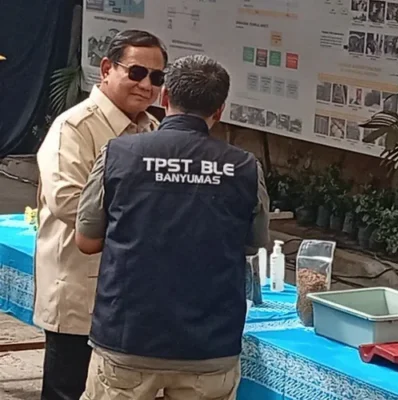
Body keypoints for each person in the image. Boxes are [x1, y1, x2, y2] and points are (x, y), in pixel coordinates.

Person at [74, 54, 270, 400]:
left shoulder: (118, 153)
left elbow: (86, 241)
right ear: (220, 110)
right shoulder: (245, 168)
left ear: (164, 97)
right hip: (210, 346)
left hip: (128, 337)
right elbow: (253, 245)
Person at [35, 29, 167, 400]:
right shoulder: (74, 128)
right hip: (81, 293)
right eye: (136, 73)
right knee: (68, 389)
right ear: (107, 69)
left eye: (157, 77)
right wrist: (146, 227)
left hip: (133, 296)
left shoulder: (153, 130)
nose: (146, 85)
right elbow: (69, 203)